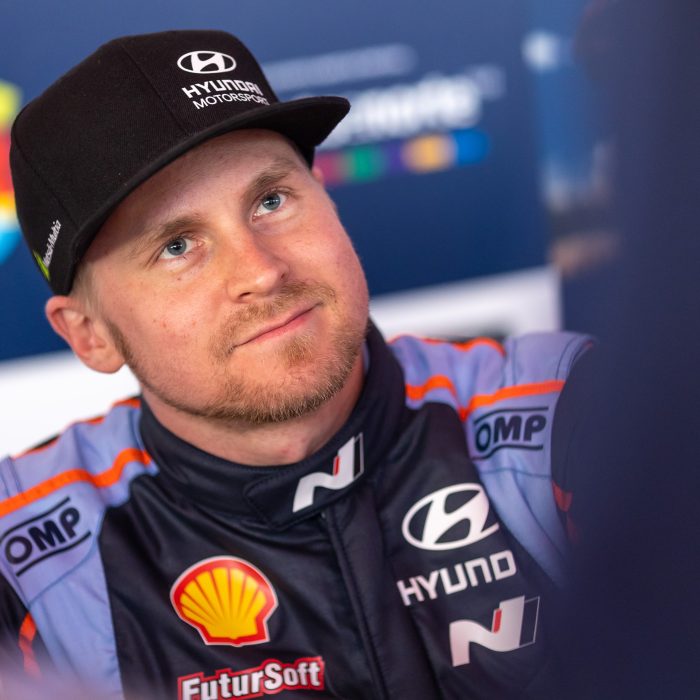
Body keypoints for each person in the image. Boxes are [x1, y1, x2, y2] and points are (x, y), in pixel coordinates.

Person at [0, 30, 590, 699]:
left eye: (271, 201)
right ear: (90, 335)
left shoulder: (558, 410)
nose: (261, 270)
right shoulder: (24, 563)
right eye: (177, 245)